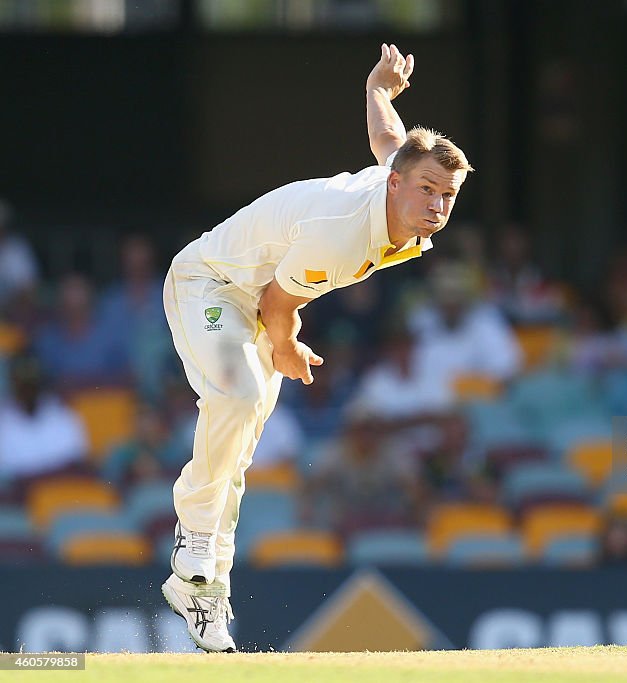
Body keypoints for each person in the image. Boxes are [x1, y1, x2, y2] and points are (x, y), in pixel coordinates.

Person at [159, 44, 472, 653]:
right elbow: (278, 305)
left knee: (240, 449)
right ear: (401, 184)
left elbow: (391, 140)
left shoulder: (398, 181)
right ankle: (193, 536)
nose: (437, 206)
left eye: (449, 197)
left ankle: (203, 592)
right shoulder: (345, 234)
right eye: (429, 191)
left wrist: (378, 89)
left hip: (249, 301)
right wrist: (289, 348)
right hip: (210, 284)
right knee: (240, 394)